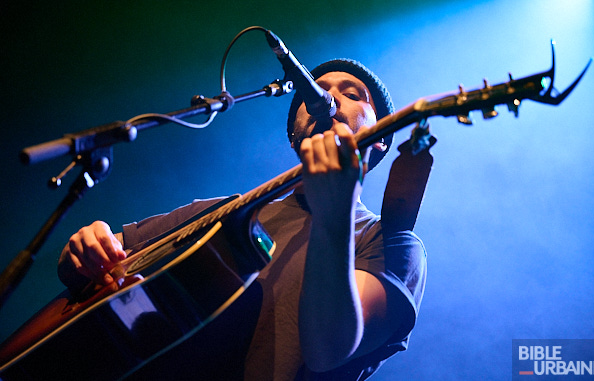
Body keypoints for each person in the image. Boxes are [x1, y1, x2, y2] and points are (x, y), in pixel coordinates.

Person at [57, 59, 427, 380]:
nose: (327, 99)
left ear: (381, 139)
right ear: (295, 131)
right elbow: (77, 268)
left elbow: (326, 349)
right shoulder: (227, 213)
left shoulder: (392, 243)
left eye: (352, 93)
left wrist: (335, 211)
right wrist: (87, 247)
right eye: (315, 91)